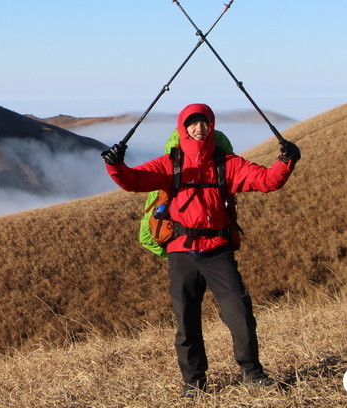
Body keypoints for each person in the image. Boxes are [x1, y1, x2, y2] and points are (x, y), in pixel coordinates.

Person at [101, 103, 300, 397]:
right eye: (192, 124)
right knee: (186, 320)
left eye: (204, 122)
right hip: (182, 251)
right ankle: (194, 383)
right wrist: (115, 165)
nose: (198, 128)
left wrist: (286, 161)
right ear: (183, 128)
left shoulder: (228, 163)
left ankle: (253, 373)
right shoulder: (171, 163)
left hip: (218, 249)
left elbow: (267, 181)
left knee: (240, 313)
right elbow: (133, 181)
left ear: (212, 126)